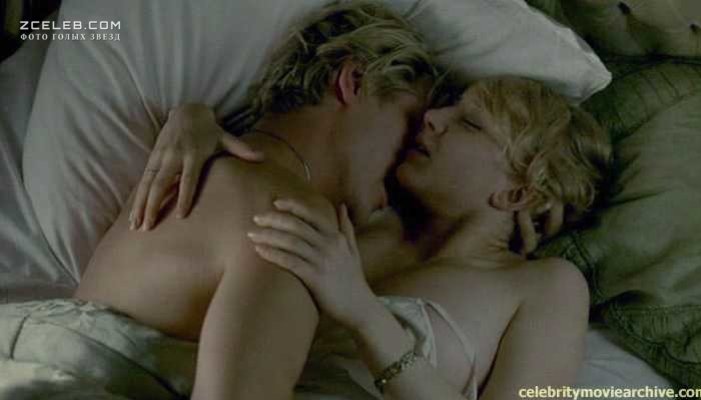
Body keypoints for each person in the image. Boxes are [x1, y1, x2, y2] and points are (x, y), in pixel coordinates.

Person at [69, 2, 437, 399]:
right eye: (410, 123)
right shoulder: (291, 217)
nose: (409, 159)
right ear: (355, 81)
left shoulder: (196, 171)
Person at [245, 77, 613, 399]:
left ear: (516, 194)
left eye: (469, 123)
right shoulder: (363, 217)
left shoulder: (547, 285)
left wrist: (363, 314)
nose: (432, 117)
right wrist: (209, 130)